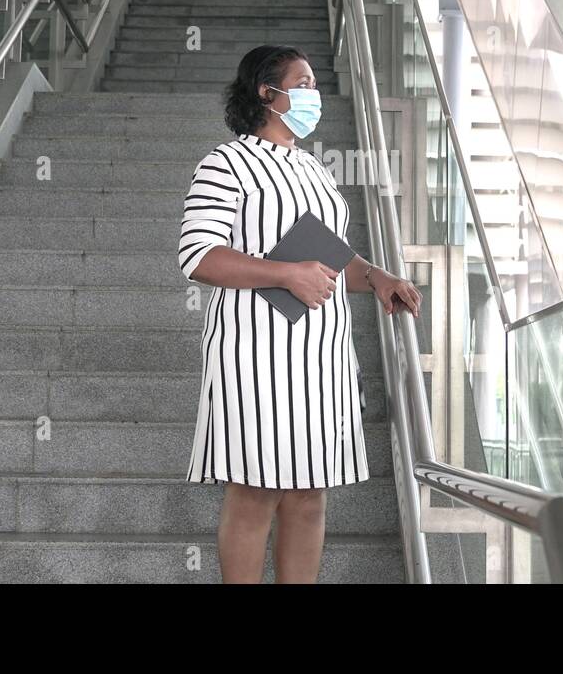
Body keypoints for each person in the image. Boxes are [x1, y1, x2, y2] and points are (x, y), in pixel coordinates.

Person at [177, 44, 422, 584]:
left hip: (321, 355)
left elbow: (333, 257)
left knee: (310, 495)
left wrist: (376, 276)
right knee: (255, 490)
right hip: (255, 352)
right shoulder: (225, 163)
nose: (315, 95)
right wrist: (283, 274)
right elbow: (198, 255)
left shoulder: (314, 168)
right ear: (268, 93)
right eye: (303, 83)